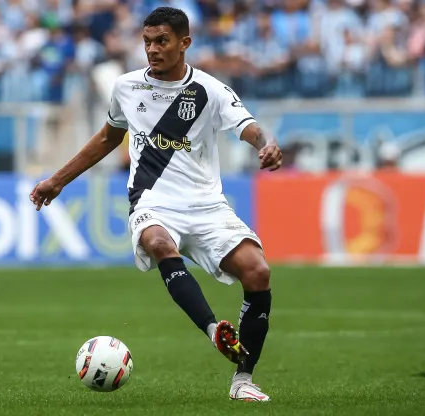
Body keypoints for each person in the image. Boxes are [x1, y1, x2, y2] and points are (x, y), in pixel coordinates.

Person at [29, 7, 282, 401]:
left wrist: (265, 144)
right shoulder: (126, 87)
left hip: (206, 204)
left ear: (184, 43)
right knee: (160, 243)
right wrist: (56, 181)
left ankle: (243, 380)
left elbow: (247, 126)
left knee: (258, 272)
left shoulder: (208, 90)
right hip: (153, 201)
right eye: (147, 41)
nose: (152, 49)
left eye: (161, 41)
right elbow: (107, 139)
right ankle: (215, 330)